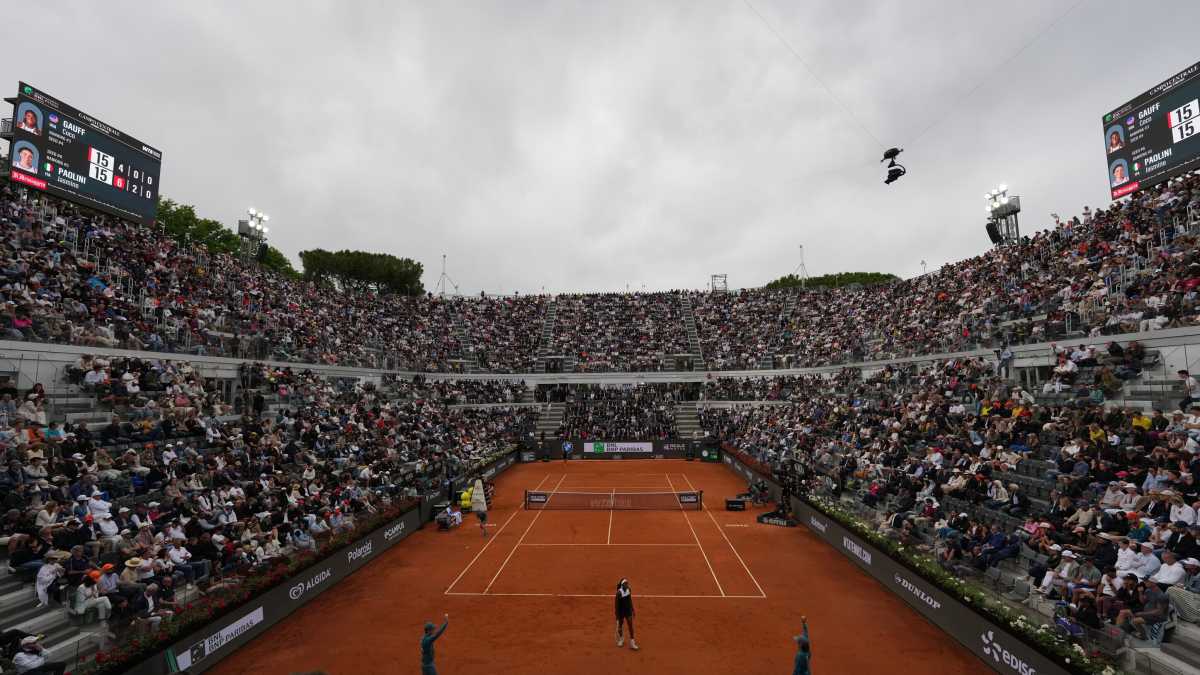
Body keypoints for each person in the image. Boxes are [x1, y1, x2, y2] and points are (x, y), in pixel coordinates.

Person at [615, 577, 637, 650]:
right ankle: (621, 639)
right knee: (620, 627)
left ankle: (632, 642)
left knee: (630, 626)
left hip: (627, 611)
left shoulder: (629, 590)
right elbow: (616, 606)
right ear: (622, 585)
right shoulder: (619, 593)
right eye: (625, 584)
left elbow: (630, 600)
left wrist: (633, 610)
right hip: (621, 612)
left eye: (627, 583)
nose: (627, 585)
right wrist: (617, 617)